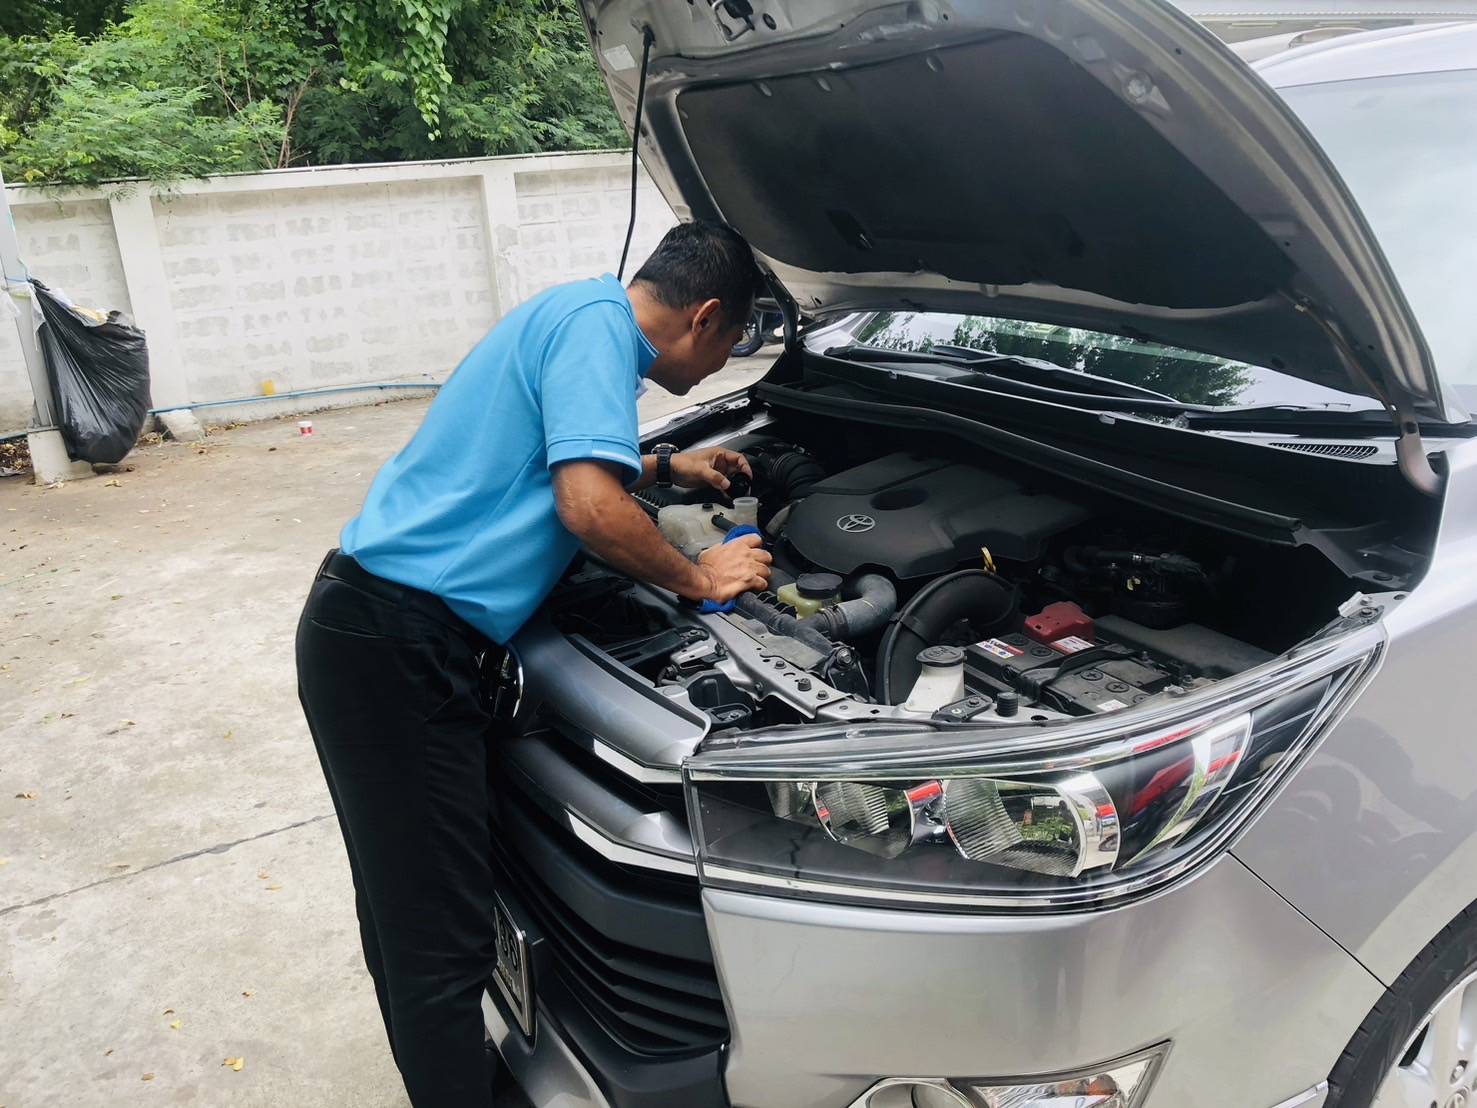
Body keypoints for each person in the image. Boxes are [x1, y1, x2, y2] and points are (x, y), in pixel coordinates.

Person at [294, 221, 773, 1107]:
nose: (722, 366)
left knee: (410, 911)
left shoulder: (578, 310)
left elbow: (528, 458)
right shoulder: (599, 333)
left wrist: (665, 466)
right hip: (396, 646)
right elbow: (587, 507)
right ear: (706, 315)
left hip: (382, 632)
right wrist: (702, 577)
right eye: (733, 341)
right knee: (437, 941)